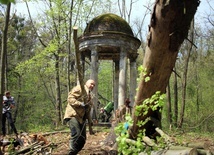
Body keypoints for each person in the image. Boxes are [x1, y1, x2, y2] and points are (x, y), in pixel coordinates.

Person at [63, 79, 95, 155]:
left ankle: (74, 152)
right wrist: (80, 104)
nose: (92, 86)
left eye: (94, 85)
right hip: (73, 115)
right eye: (91, 84)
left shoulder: (90, 96)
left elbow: (87, 111)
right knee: (76, 134)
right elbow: (70, 98)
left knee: (82, 139)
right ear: (87, 83)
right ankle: (71, 151)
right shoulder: (79, 88)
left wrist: (90, 121)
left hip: (81, 118)